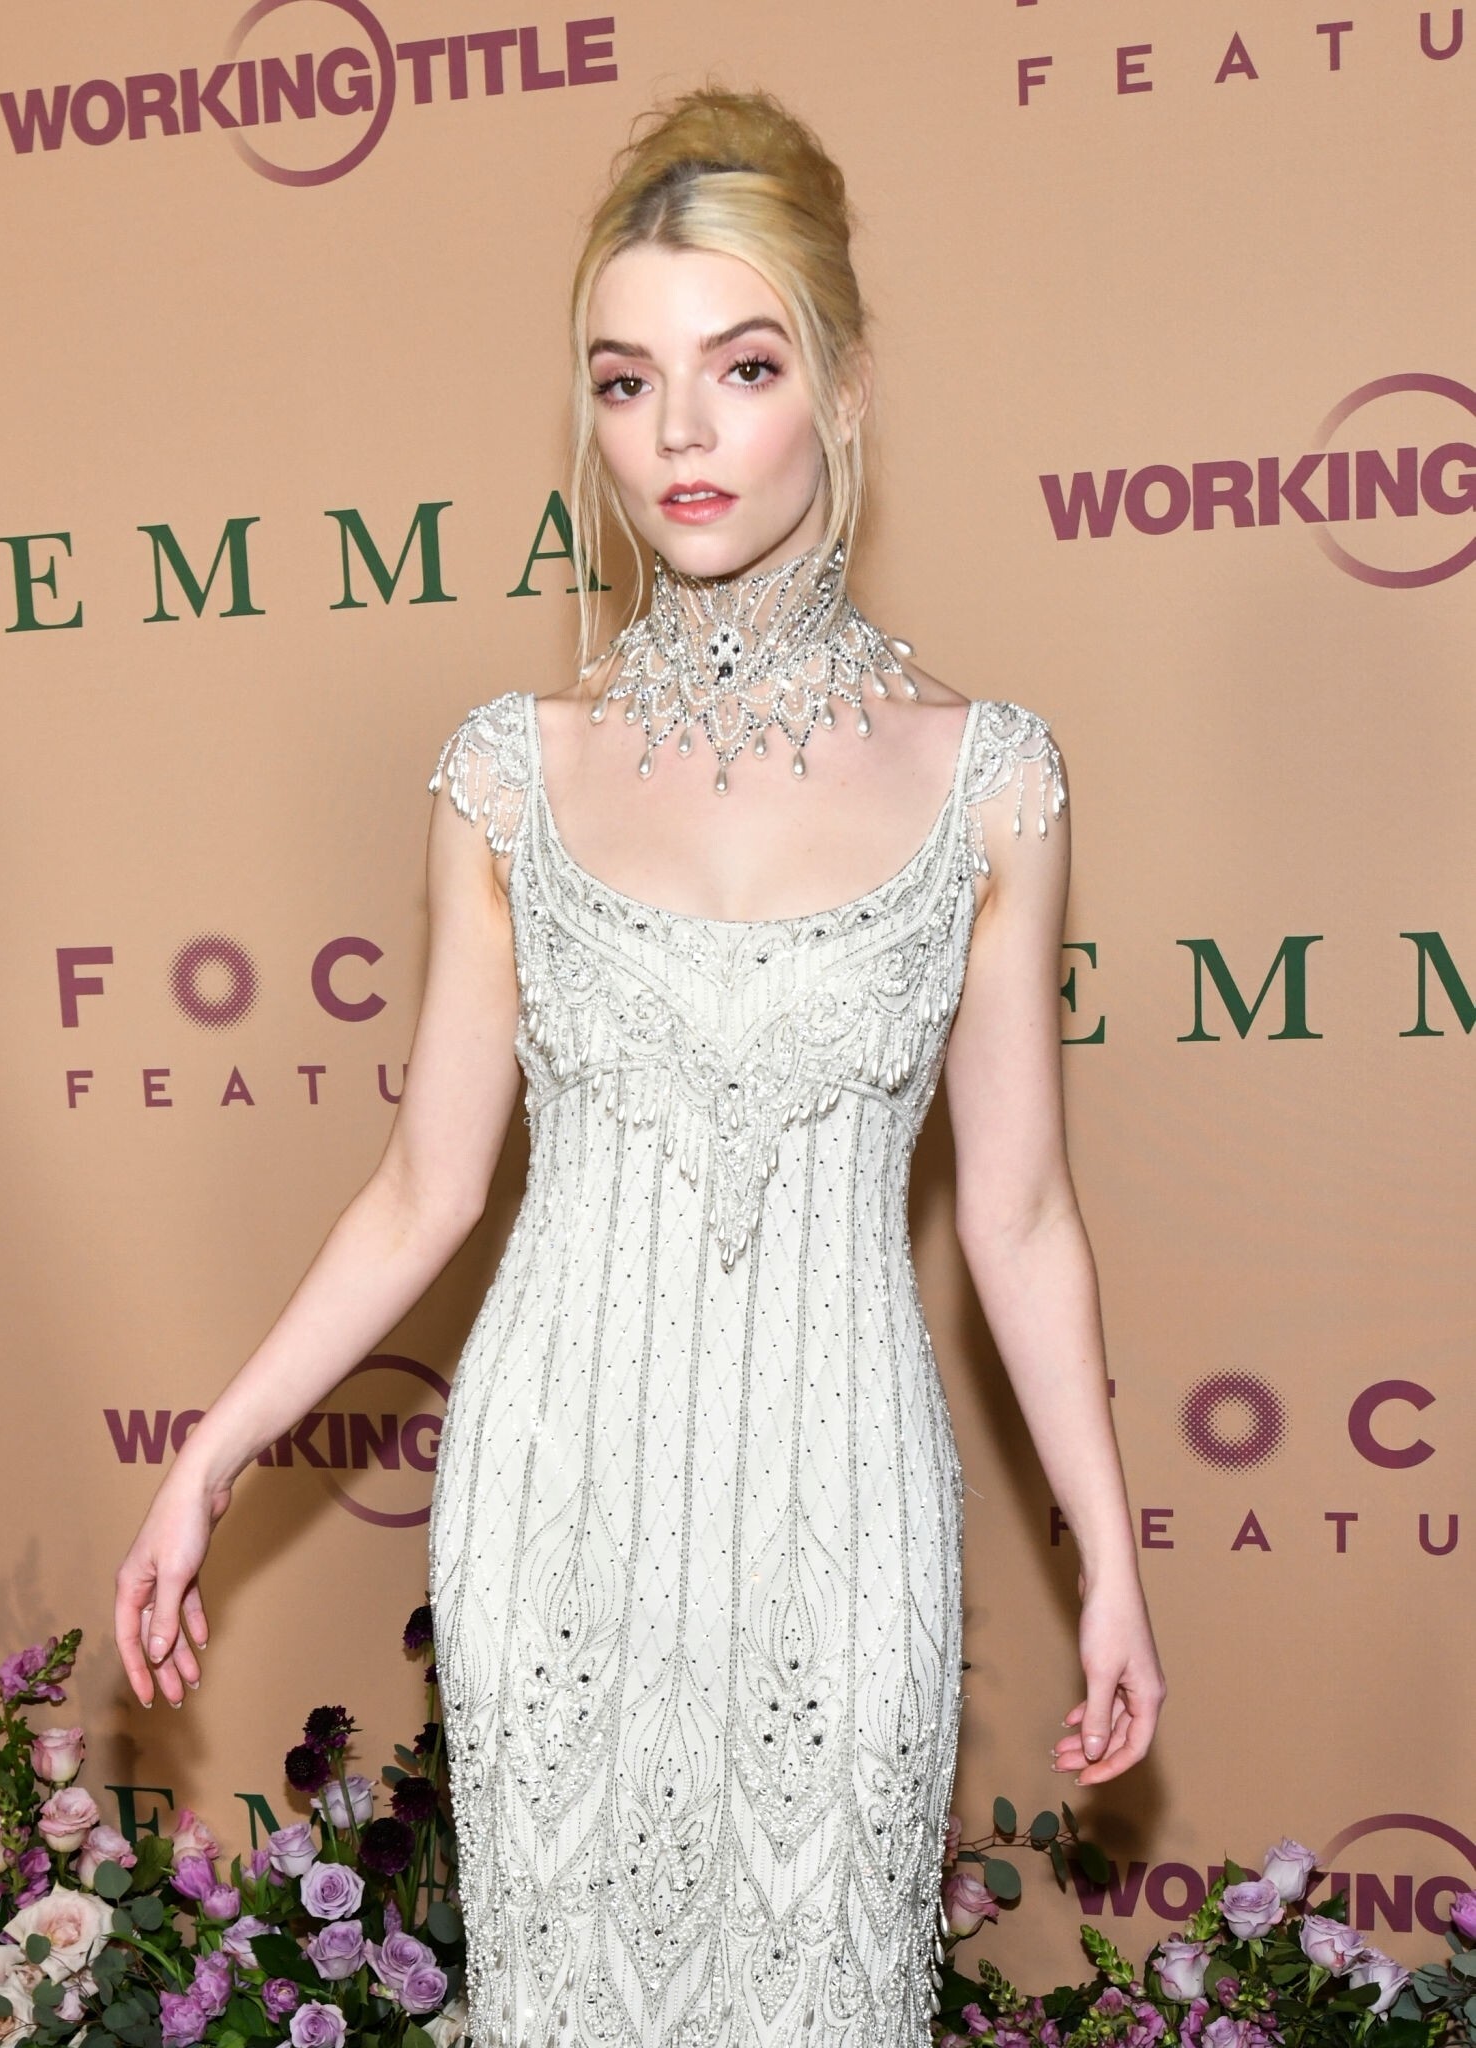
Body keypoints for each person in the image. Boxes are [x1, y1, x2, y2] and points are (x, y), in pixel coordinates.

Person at [115, 85, 1164, 2048]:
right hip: (557, 1518)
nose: (679, 431)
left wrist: (1109, 1560)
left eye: (739, 366)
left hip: (843, 1520)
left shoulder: (991, 781)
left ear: (841, 385)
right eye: (625, 380)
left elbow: (1018, 1217)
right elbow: (424, 1190)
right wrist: (210, 1453)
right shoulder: (509, 775)